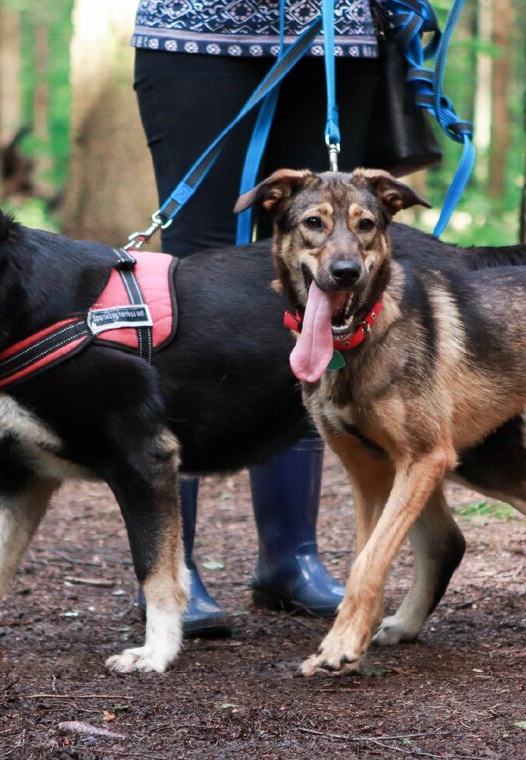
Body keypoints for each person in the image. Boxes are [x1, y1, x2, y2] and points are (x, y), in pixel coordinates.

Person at [131, 0, 383, 637]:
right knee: (194, 276)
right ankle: (169, 569)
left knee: (318, 274)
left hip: (334, 31)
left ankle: (291, 557)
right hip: (195, 33)